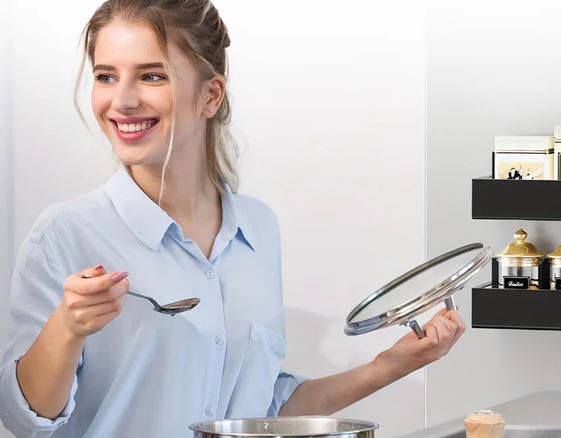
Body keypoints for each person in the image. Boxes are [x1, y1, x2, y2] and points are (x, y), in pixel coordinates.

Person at [0, 1, 466, 437]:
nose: (120, 100)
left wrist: (390, 364)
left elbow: (260, 414)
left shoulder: (258, 230)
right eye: (105, 76)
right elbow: (24, 419)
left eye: (151, 76)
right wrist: (68, 327)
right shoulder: (63, 235)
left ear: (211, 96)